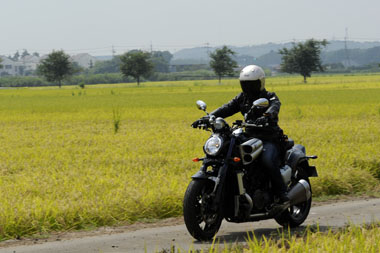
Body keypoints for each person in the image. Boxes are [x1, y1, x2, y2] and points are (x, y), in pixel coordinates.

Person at [192, 65, 289, 205]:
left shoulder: (269, 96)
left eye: (252, 84)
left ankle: (282, 193)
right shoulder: (242, 98)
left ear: (260, 83)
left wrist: (267, 115)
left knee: (267, 160)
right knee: (227, 152)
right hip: (249, 136)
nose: (248, 88)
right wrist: (209, 117)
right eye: (245, 84)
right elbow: (226, 108)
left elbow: (274, 106)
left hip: (269, 138)